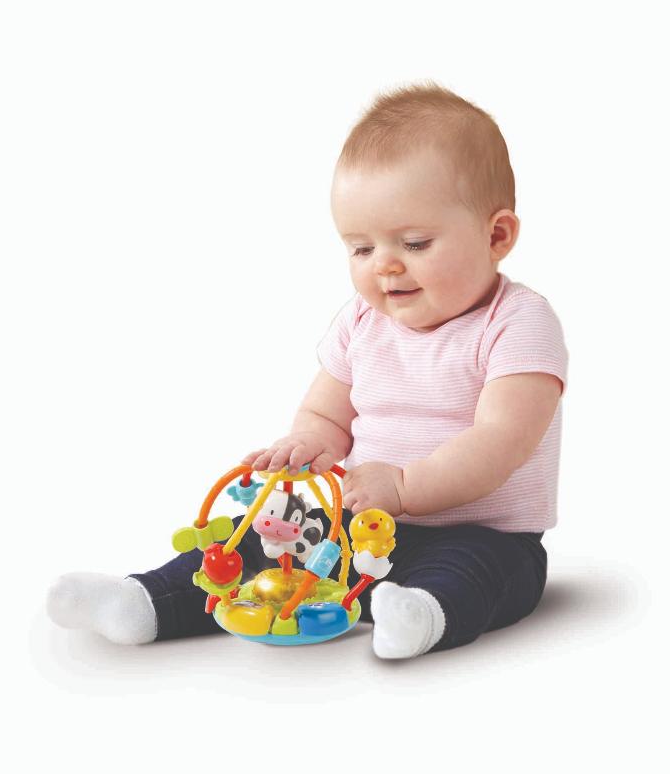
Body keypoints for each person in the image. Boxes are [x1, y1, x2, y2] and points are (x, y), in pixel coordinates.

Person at [47, 82, 568, 660]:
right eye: (361, 249)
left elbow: (502, 440)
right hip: (362, 526)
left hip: (485, 534)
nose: (385, 265)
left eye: (415, 243)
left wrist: (404, 487)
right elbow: (327, 411)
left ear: (497, 235)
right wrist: (308, 444)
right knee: (257, 544)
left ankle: (420, 617)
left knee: (478, 575)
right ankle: (144, 600)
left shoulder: (518, 322)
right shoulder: (362, 322)